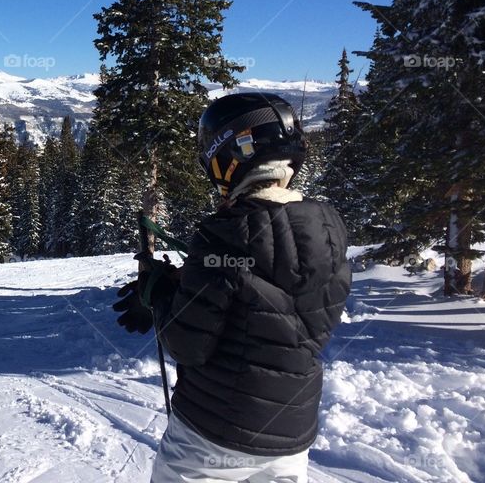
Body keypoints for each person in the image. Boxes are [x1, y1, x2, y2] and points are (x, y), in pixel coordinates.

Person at [114, 93, 351, 483]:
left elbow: (187, 344)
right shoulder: (328, 230)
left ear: (231, 156)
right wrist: (185, 280)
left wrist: (157, 294)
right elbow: (272, 296)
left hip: (213, 433)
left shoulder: (224, 236)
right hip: (291, 436)